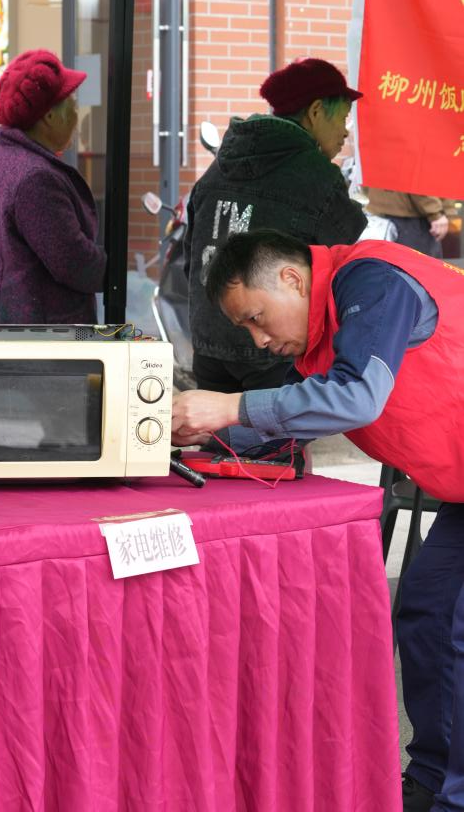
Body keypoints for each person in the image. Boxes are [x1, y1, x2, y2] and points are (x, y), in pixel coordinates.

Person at [172, 229, 464, 813]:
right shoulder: (326, 331)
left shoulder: (374, 280)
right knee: (428, 614)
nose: (258, 340)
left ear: (291, 278)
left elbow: (355, 396)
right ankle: (433, 779)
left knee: (455, 625)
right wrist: (202, 435)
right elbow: (293, 416)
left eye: (256, 319)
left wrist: (227, 406)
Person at [185, 57, 367, 394]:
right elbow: (349, 259)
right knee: (274, 430)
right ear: (316, 112)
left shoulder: (218, 167)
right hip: (275, 349)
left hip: (209, 340)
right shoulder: (316, 174)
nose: (345, 132)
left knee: (215, 426)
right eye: (343, 118)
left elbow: (191, 258)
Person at [0, 49, 106, 324]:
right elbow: (73, 263)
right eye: (72, 105)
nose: (77, 116)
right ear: (49, 117)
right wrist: (116, 272)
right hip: (30, 339)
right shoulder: (35, 178)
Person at [365, 189, 457, 258]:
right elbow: (419, 177)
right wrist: (435, 213)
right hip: (412, 216)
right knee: (419, 271)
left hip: (387, 210)